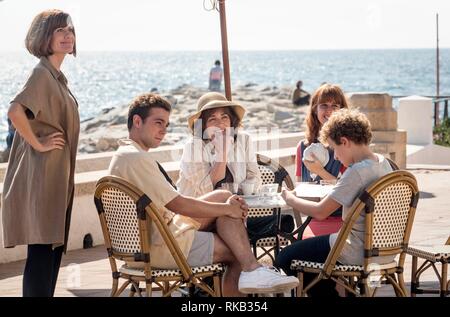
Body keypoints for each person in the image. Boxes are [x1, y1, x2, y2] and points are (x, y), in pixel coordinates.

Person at [107, 93, 299, 297]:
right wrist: (227, 207)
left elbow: (251, 179)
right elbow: (179, 204)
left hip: (155, 237)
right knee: (236, 250)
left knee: (225, 199)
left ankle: (251, 271)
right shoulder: (137, 158)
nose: (163, 130)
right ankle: (253, 270)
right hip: (161, 245)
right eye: (158, 123)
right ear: (137, 121)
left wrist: (227, 204)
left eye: (166, 124)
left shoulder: (127, 154)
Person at [1, 10, 80, 297]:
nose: (67, 35)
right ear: (43, 36)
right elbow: (14, 111)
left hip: (54, 175)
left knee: (50, 251)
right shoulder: (41, 74)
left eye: (69, 29)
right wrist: (39, 144)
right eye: (59, 30)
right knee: (42, 252)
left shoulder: (55, 76)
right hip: (43, 175)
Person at [276, 109, 393, 296]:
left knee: (285, 257)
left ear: (345, 142)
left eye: (335, 149)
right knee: (310, 257)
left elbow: (321, 212)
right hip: (386, 249)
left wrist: (290, 198)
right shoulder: (384, 163)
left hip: (355, 250)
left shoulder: (356, 171)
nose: (336, 157)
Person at [177, 92, 294, 244]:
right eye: (212, 119)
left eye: (224, 117)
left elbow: (255, 179)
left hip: (234, 214)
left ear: (232, 120)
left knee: (284, 222)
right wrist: (222, 153)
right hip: (198, 218)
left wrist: (239, 194)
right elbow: (206, 192)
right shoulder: (192, 147)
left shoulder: (243, 140)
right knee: (236, 218)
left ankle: (249, 265)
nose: (220, 124)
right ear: (203, 125)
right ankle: (251, 264)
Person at [295, 84, 349, 239]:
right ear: (314, 109)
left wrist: (320, 171)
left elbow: (348, 192)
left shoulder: (347, 145)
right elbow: (301, 190)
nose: (329, 111)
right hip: (312, 219)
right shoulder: (302, 147)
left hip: (343, 221)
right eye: (324, 105)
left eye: (335, 106)